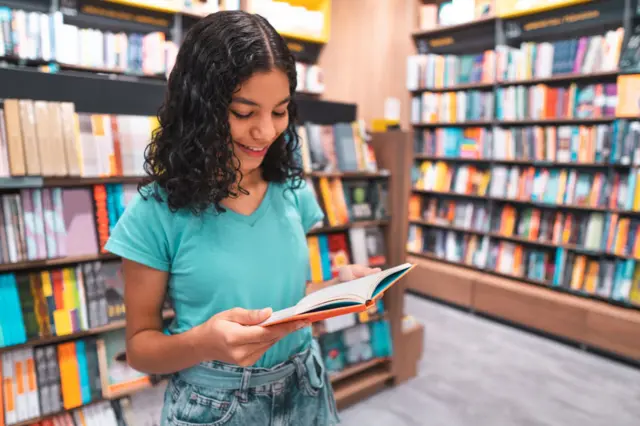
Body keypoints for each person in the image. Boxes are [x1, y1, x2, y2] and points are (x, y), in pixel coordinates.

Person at [104, 9, 380, 426]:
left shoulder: (293, 191)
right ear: (200, 110)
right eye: (244, 112)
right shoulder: (156, 213)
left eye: (280, 111)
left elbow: (284, 295)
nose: (267, 132)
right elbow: (140, 348)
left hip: (306, 384)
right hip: (215, 403)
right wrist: (204, 343)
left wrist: (335, 292)